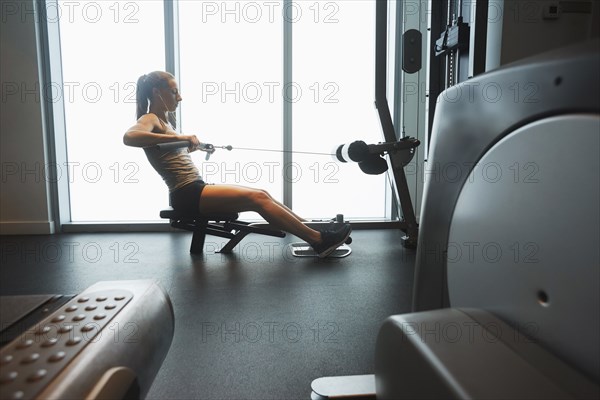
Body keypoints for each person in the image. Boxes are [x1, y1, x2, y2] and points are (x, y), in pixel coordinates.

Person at [123, 71, 351, 258]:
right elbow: (130, 137)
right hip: (187, 194)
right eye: (174, 92)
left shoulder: (165, 123)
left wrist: (195, 146)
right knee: (258, 199)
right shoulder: (149, 118)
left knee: (262, 193)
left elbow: (168, 150)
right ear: (156, 92)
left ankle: (315, 228)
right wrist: (180, 139)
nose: (179, 97)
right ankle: (319, 241)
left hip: (195, 188)